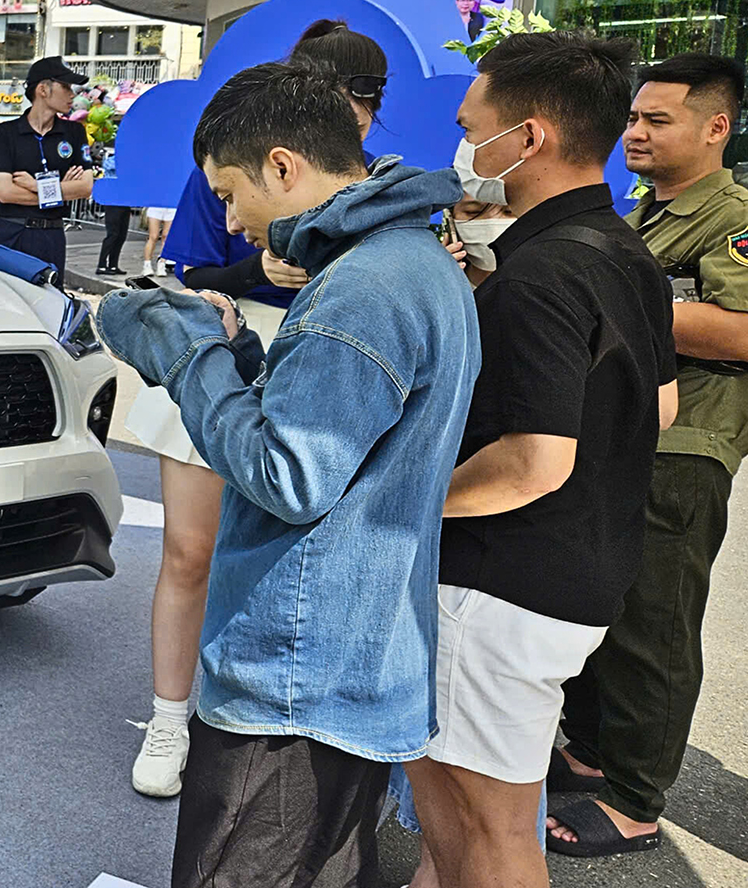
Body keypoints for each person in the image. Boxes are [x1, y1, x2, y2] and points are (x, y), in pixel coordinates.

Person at [98, 62, 479, 887]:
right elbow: (337, 433)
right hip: (344, 662)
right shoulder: (400, 259)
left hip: (294, 680)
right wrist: (238, 354)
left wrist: (189, 357)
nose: (230, 221)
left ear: (281, 165)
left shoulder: (361, 289)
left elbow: (288, 476)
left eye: (230, 195)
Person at [403, 32, 678, 888]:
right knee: (451, 828)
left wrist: (405, 500)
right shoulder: (623, 251)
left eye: (470, 127)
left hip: (498, 589)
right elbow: (661, 406)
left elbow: (532, 462)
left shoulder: (540, 274)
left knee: (488, 832)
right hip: (578, 570)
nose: (463, 148)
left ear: (527, 138)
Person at [123, 18, 388, 800]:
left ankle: (278, 723)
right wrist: (258, 268)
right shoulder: (233, 160)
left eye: (364, 108)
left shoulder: (385, 184)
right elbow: (193, 270)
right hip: (236, 343)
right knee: (190, 551)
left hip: (329, 365)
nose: (351, 120)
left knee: (299, 556)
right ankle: (170, 717)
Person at [548, 53, 748, 858]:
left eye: (657, 120)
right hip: (616, 441)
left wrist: (598, 290)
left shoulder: (743, 224)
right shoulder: (642, 217)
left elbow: (746, 333)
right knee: (600, 608)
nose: (636, 133)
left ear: (716, 127)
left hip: (683, 450)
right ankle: (593, 753)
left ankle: (633, 803)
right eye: (633, 118)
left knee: (653, 626)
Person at [0, 56, 95, 284]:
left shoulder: (74, 132)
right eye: (66, 87)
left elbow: (85, 187)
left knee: (52, 298)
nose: (72, 94)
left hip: (52, 235)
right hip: (13, 232)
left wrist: (36, 186)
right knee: (8, 297)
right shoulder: (5, 133)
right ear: (43, 89)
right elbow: (6, 193)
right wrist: (60, 190)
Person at [97, 143, 135, 276]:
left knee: (121, 235)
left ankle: (113, 264)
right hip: (112, 201)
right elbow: (110, 166)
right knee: (112, 234)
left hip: (124, 201)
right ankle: (101, 265)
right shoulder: (111, 161)